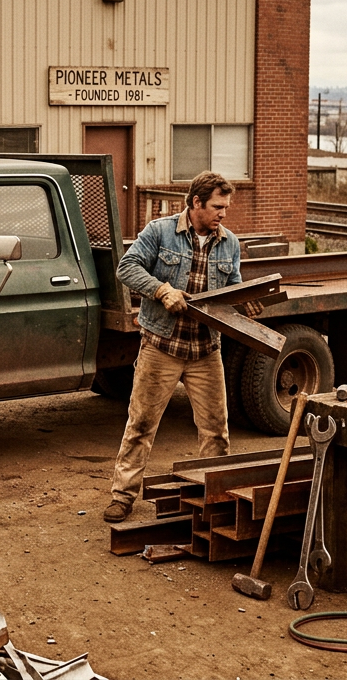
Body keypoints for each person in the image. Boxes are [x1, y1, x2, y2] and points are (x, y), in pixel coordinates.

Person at [103, 172, 261, 523]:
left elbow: (230, 288)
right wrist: (161, 290)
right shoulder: (159, 232)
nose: (224, 213)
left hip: (206, 351)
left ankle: (214, 499)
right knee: (141, 424)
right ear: (195, 203)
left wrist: (244, 301)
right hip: (161, 346)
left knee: (216, 430)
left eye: (226, 207)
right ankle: (123, 496)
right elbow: (126, 268)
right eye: (218, 207)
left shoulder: (229, 243)